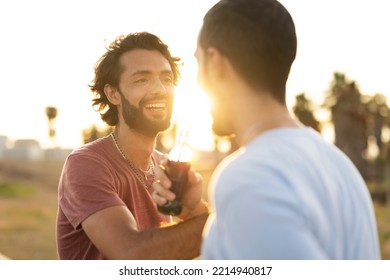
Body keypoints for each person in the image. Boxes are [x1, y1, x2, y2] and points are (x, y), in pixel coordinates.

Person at [154, 0, 381, 259]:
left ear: (215, 63)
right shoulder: (340, 167)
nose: (197, 79)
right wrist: (193, 213)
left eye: (199, 62)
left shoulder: (248, 176)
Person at [56, 32, 209, 260]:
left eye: (166, 79)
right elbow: (131, 255)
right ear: (113, 93)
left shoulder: (165, 166)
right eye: (141, 79)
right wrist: (222, 224)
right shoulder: (86, 163)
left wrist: (194, 209)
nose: (160, 89)